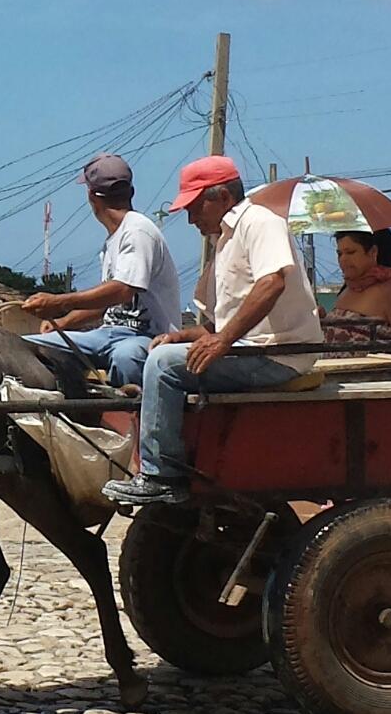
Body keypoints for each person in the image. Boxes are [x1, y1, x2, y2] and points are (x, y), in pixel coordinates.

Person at [105, 156, 324, 506]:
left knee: (163, 365)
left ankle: (162, 473)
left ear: (222, 196)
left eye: (195, 207)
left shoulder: (259, 222)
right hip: (255, 348)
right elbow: (219, 322)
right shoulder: (226, 240)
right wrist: (183, 336)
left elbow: (271, 284)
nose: (191, 218)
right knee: (157, 352)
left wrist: (222, 340)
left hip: (277, 354)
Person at [22, 154, 183, 391]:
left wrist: (58, 302)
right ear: (131, 192)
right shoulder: (113, 240)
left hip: (147, 337)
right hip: (108, 334)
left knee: (126, 357)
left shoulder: (138, 232)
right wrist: (63, 323)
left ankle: (132, 419)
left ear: (91, 196)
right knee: (30, 346)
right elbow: (106, 303)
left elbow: (123, 290)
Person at [324, 228, 391, 348]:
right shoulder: (347, 289)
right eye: (339, 254)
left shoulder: (389, 292)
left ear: (373, 252)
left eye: (350, 252)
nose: (343, 260)